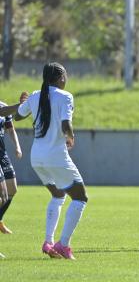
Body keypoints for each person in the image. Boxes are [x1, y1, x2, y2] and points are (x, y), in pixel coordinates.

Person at [16, 62, 88, 259]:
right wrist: (70, 136)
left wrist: (24, 102)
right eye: (66, 75)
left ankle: (48, 242)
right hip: (55, 156)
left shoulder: (35, 95)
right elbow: (66, 123)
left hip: (36, 157)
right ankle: (63, 245)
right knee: (80, 198)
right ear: (61, 78)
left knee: (58, 196)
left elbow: (17, 116)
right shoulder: (65, 96)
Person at [0, 101, 23, 234]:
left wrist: (17, 146)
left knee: (12, 189)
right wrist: (20, 104)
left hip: (2, 153)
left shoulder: (4, 106)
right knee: (2, 196)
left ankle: (0, 219)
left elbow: (11, 129)